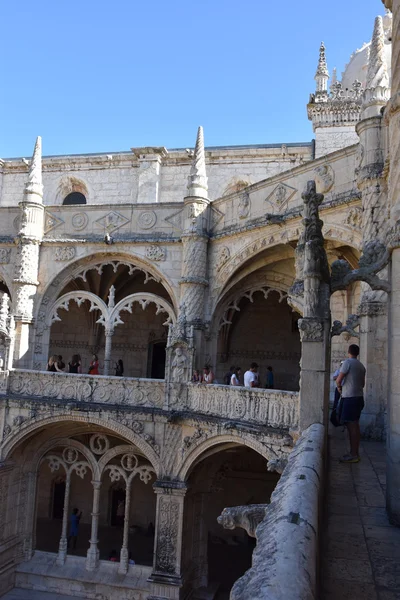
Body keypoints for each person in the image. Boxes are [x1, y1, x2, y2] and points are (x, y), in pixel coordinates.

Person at [335, 344, 366, 463]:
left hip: (350, 398)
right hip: (359, 397)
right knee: (355, 426)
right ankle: (355, 453)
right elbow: (362, 384)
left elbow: (339, 380)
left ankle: (353, 454)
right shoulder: (361, 366)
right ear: (357, 353)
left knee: (351, 427)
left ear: (348, 352)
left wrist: (339, 387)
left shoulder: (347, 363)